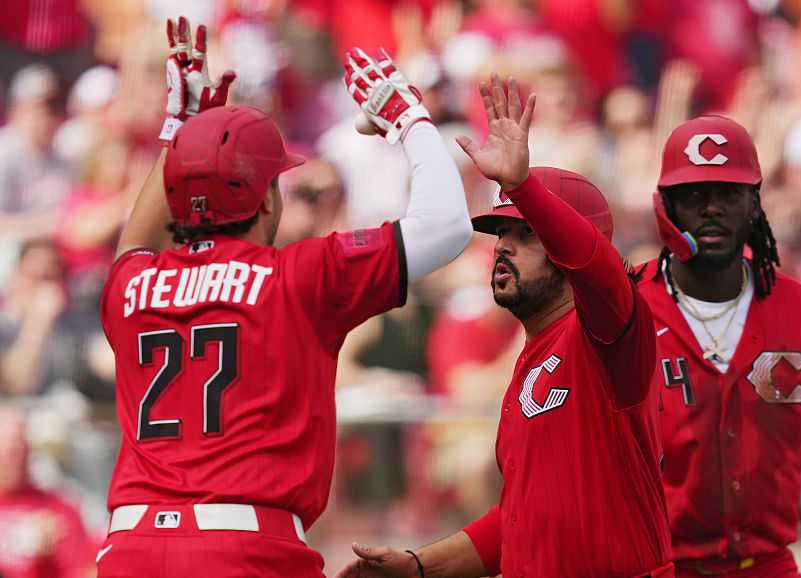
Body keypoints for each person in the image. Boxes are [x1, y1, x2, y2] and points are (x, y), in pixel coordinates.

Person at [95, 18, 471, 578]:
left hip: (129, 549)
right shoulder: (299, 274)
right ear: (268, 200)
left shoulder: (133, 285)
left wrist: (182, 134)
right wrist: (411, 120)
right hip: (246, 548)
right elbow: (448, 227)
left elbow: (136, 243)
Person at [336, 75, 672, 578]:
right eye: (500, 232)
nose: (502, 246)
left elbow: (599, 271)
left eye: (526, 234)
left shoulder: (609, 334)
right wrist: (418, 567)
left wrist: (524, 187)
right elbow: (519, 519)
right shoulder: (531, 357)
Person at [638, 115, 801, 578]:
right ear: (666, 207)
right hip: (655, 566)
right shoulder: (624, 309)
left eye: (728, 194)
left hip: (768, 565)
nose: (712, 209)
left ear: (754, 205)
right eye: (694, 196)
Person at [0, 404, 94, 578]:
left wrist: (47, 559)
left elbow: (83, 571)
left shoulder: (58, 509)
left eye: (20, 446)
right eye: (8, 449)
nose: (15, 457)